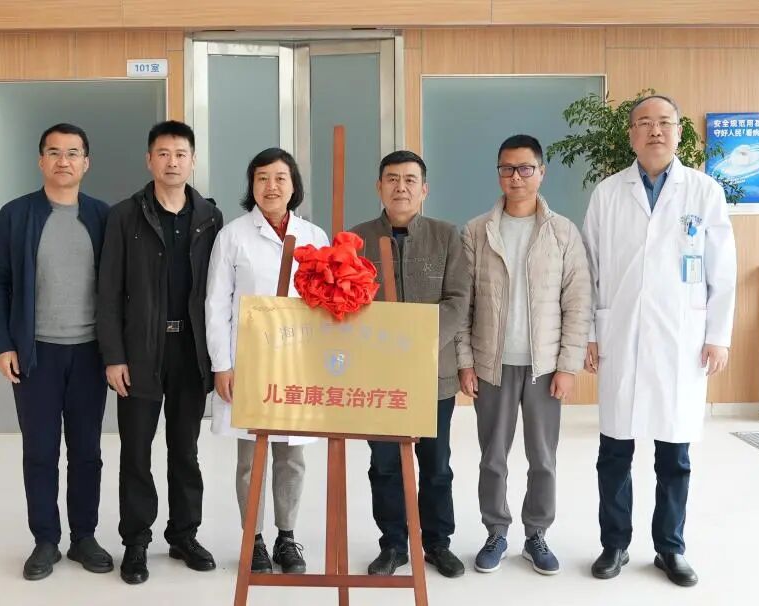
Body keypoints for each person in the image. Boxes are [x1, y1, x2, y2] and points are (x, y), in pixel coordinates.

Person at [582, 95, 736, 587]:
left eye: (664, 122)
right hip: (620, 333)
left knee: (675, 454)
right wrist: (589, 333)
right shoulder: (608, 193)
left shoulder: (704, 192)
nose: (655, 131)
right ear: (631, 134)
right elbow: (589, 269)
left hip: (680, 338)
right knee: (614, 451)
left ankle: (670, 548)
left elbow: (722, 269)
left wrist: (718, 335)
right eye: (644, 123)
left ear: (679, 132)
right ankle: (614, 544)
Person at [0, 123, 112, 581]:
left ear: (86, 163)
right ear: (41, 161)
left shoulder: (102, 216)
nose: (63, 161)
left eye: (73, 153)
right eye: (54, 152)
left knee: (87, 452)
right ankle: (45, 540)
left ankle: (84, 537)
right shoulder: (16, 215)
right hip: (35, 354)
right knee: (40, 451)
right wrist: (3, 344)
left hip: (90, 354)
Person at [457, 134, 591, 575]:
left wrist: (567, 366)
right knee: (492, 457)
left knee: (543, 458)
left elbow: (577, 303)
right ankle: (496, 531)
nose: (516, 177)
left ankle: (536, 534)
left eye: (525, 168)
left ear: (541, 172)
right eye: (507, 169)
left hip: (544, 367)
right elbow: (463, 304)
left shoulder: (562, 232)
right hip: (491, 364)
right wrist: (465, 361)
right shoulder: (476, 231)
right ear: (498, 173)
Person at [97, 120, 223, 584]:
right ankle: (135, 541)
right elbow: (107, 291)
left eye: (180, 154)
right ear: (149, 159)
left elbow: (220, 291)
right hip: (140, 352)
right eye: (163, 153)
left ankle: (184, 534)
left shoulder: (210, 217)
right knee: (136, 451)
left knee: (185, 450)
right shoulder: (124, 216)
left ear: (193, 161)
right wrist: (114, 355)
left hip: (190, 350)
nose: (172, 162)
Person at [205, 147, 329, 575]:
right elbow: (215, 304)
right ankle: (253, 540)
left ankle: (286, 538)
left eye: (280, 178)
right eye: (262, 178)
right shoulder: (233, 236)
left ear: (294, 186)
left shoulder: (314, 236)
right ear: (251, 186)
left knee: (292, 457)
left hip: (298, 364)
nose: (271, 186)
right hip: (249, 363)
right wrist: (222, 364)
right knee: (251, 458)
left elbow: (327, 305)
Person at [350, 150, 469, 579]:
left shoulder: (447, 236)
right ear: (379, 187)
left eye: (410, 180)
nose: (401, 187)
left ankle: (437, 543)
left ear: (424, 189)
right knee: (384, 465)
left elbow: (458, 299)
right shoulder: (356, 239)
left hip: (433, 373)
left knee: (435, 465)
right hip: (378, 376)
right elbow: (345, 303)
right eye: (392, 179)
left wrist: (420, 341)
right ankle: (394, 544)